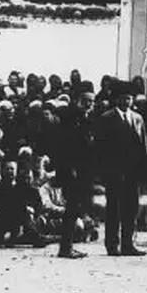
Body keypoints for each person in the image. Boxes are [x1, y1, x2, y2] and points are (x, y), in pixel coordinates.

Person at [98, 90, 147, 256]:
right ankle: (112, 245)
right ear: (117, 99)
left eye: (129, 98)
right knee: (114, 208)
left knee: (131, 208)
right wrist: (105, 171)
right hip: (114, 171)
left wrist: (143, 168)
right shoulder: (107, 118)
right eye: (123, 98)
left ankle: (128, 244)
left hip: (133, 171)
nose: (126, 101)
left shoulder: (138, 118)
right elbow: (102, 148)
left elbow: (143, 145)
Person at [52, 93, 96, 259]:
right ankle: (66, 247)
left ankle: (68, 245)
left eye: (91, 102)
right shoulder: (71, 120)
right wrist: (70, 168)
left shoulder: (86, 119)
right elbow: (66, 146)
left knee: (75, 208)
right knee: (71, 208)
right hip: (72, 171)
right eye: (86, 101)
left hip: (82, 170)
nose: (89, 105)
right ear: (79, 101)